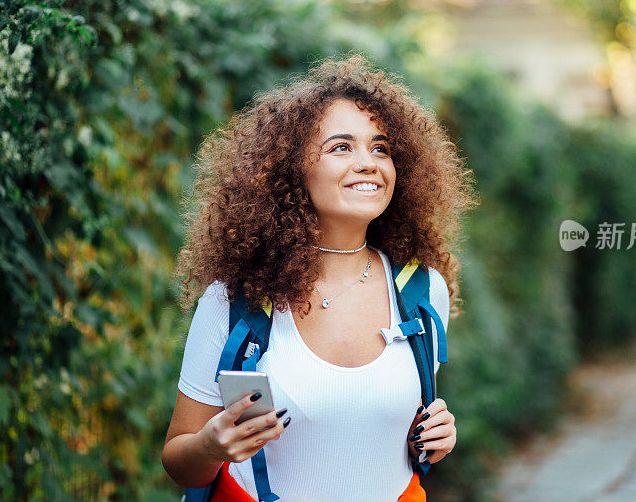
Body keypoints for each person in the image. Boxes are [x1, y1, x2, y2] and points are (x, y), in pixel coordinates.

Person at [162, 54, 476, 501]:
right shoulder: (235, 299)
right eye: (341, 147)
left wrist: (433, 436)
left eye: (381, 147)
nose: (368, 162)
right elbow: (179, 461)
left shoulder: (422, 292)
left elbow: (394, 434)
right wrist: (212, 446)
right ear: (292, 169)